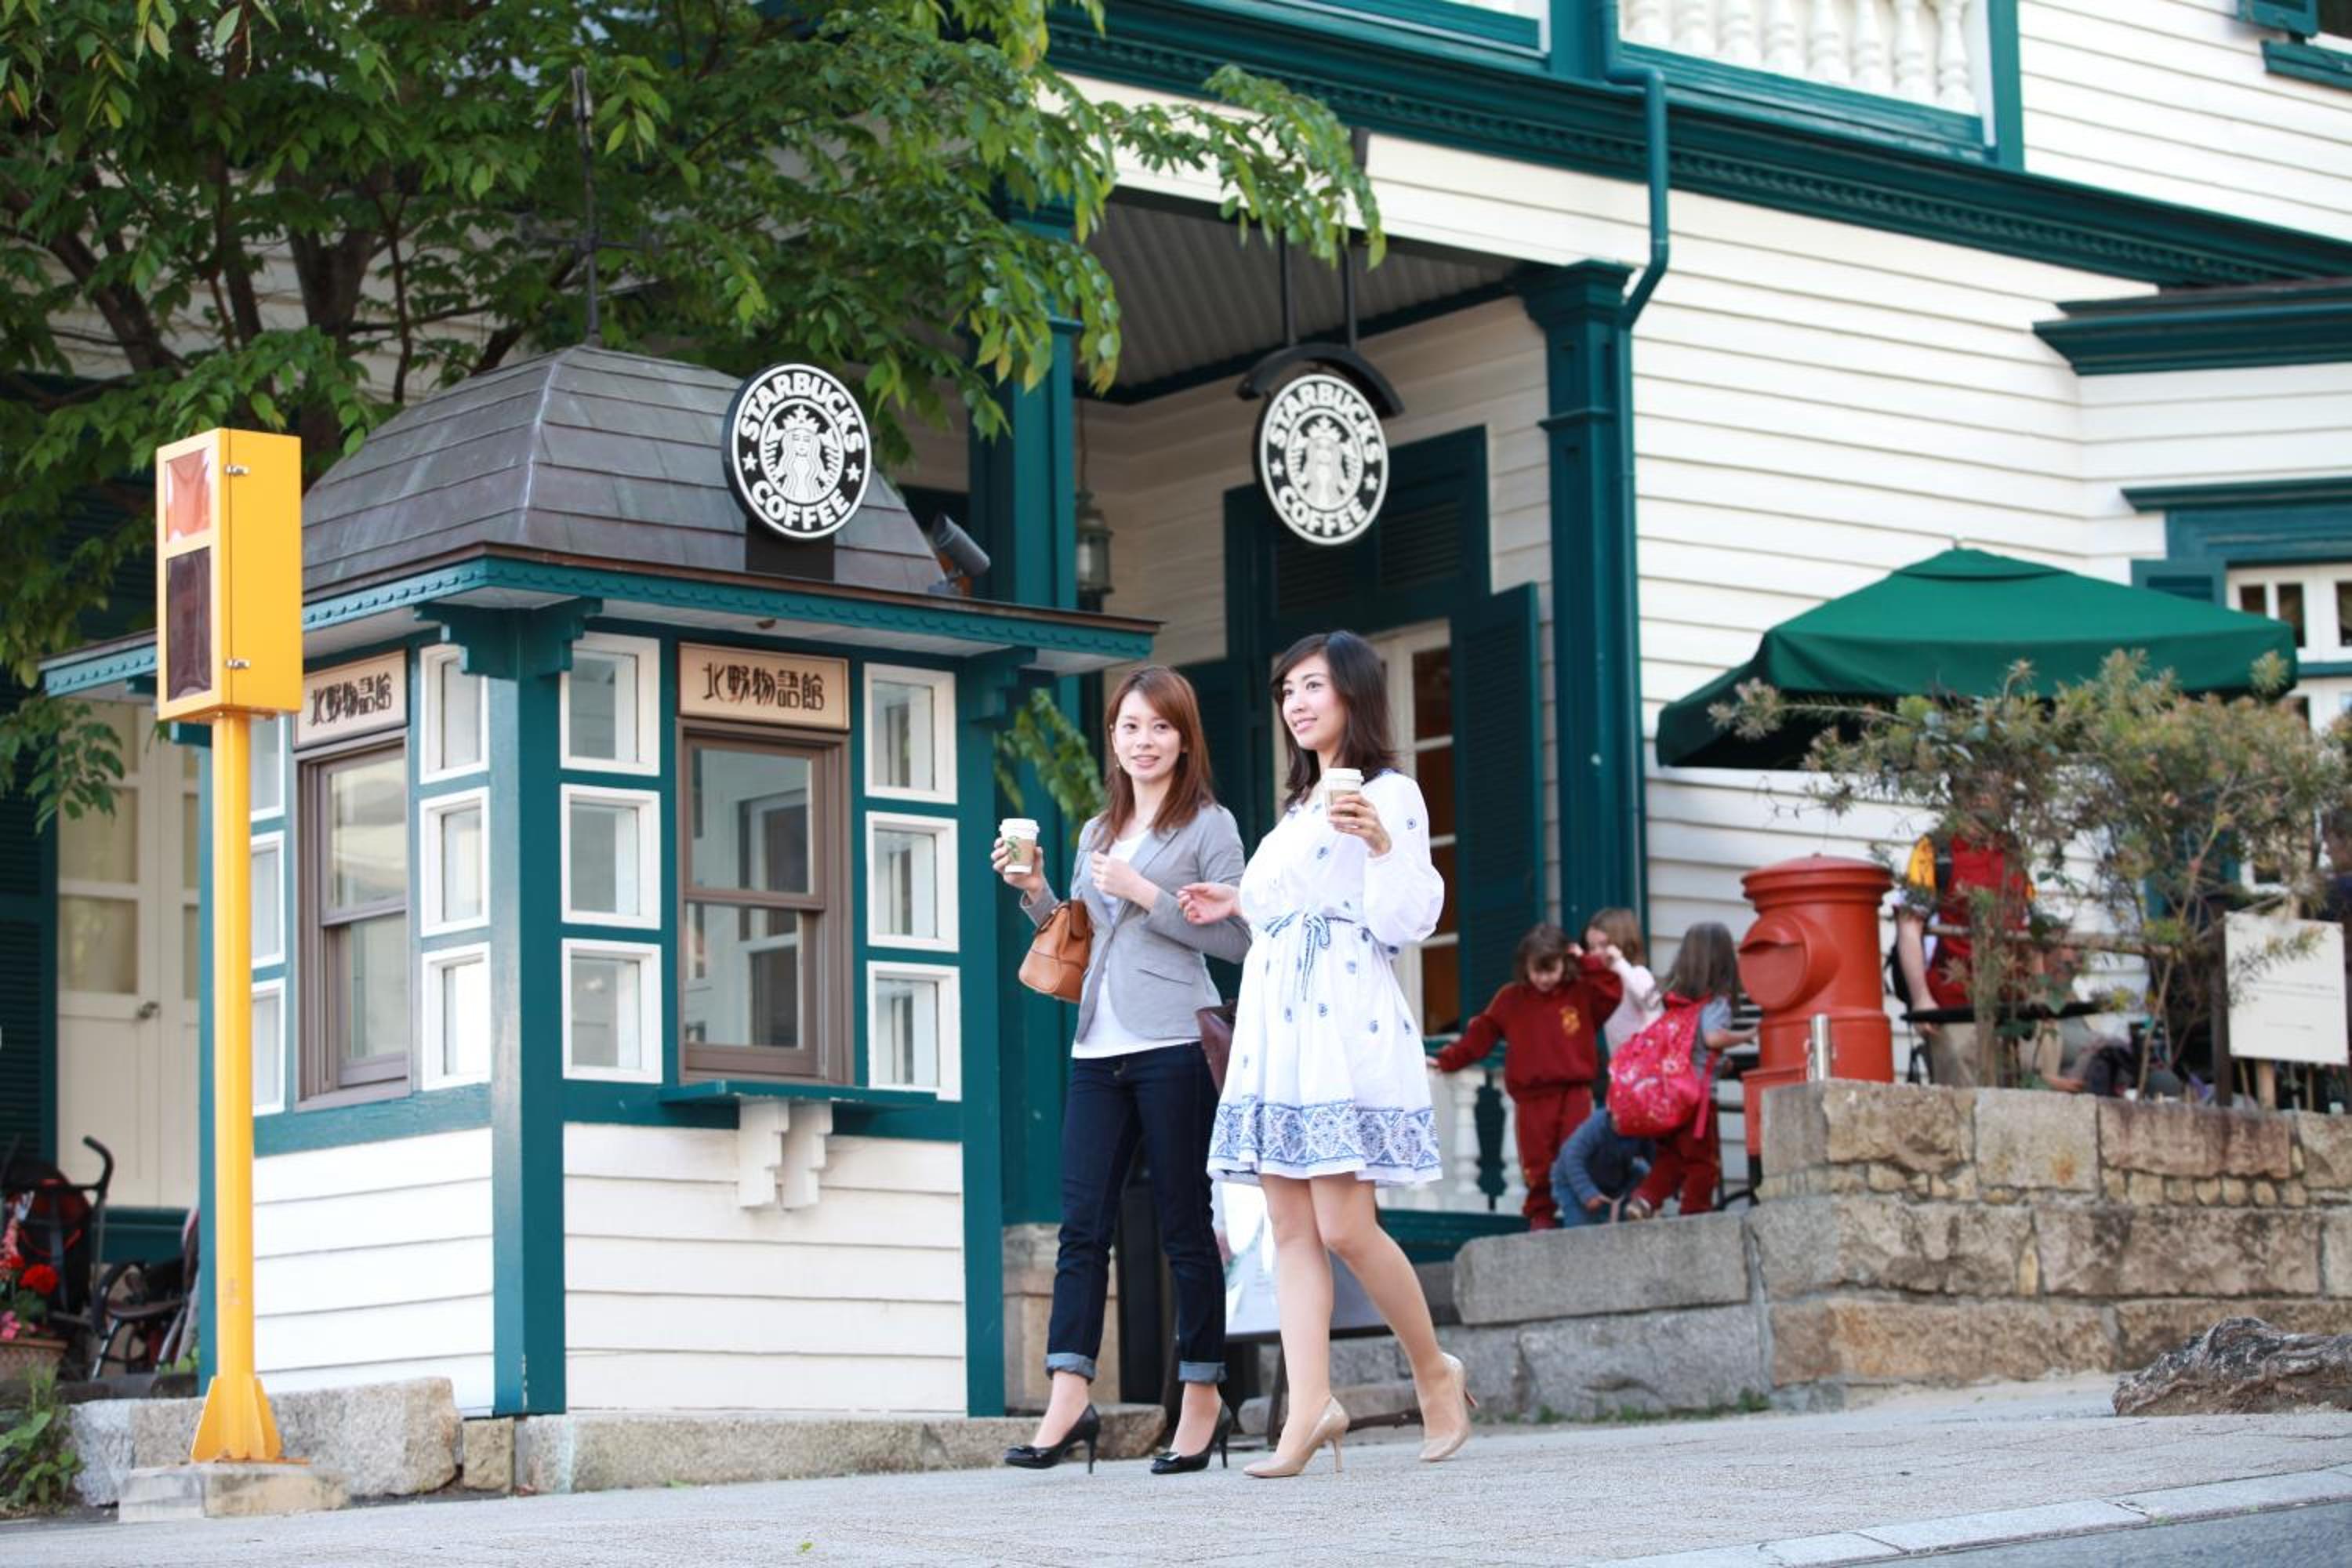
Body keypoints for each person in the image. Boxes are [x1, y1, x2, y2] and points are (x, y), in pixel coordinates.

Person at [1175, 630, 1472, 1477]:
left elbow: (1406, 920)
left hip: (1340, 1020)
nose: (1297, 704)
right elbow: (1292, 898)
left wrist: (1380, 843)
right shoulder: (1300, 806)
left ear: (1352, 692)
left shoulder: (1391, 793)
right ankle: (1309, 1407)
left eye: (1313, 686)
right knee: (1290, 1225)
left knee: (1345, 1224)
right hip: (1280, 1022)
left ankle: (1434, 1369)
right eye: (1288, 691)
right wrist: (1237, 897)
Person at [993, 666, 1253, 1476]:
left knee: (1184, 1226)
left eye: (1160, 727)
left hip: (1174, 1041)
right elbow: (1081, 934)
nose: (1144, 741)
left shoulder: (1211, 826)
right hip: (1096, 1047)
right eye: (1130, 726)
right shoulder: (1096, 830)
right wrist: (1036, 891)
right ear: (1113, 737)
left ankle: (1202, 1395)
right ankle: (1069, 1396)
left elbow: (1240, 939)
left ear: (1184, 737)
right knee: (1082, 1228)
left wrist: (1147, 891)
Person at [1430, 924, 1621, 1229]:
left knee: (1577, 1154)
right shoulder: (1511, 1000)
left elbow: (1612, 991)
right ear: (1525, 966)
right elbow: (1481, 1035)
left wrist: (1584, 960)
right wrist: (1447, 1059)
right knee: (1537, 1161)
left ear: (1564, 963)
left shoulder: (1581, 993)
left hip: (1574, 1092)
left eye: (1551, 969)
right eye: (1537, 971)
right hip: (1532, 1098)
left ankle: (1581, 1217)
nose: (1544, 978)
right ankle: (1541, 1216)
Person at [1623, 923, 1755, 1220]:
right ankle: (1695, 1216)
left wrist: (1721, 1063)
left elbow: (1692, 1047)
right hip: (1698, 1101)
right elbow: (1712, 1038)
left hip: (1671, 1095)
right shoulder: (1717, 1002)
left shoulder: (1676, 1000)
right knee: (1702, 1162)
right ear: (1724, 961)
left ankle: (1644, 1199)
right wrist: (1747, 1035)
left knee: (1671, 1157)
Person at [1894, 827, 2034, 1088]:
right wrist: (1921, 998)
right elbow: (1909, 925)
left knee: (2024, 1094)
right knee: (1962, 1100)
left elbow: (2027, 925)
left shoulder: (2012, 848)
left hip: (2013, 1006)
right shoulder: (1935, 848)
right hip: (1953, 1005)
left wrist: (2038, 995)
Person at [1551, 1105, 1652, 1226]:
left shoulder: (1642, 1128)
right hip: (1572, 1181)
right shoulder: (1596, 1126)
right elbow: (1573, 1157)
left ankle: (1631, 1211)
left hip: (1614, 1178)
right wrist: (1587, 1192)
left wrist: (1649, 1194)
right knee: (1581, 1227)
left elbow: (1654, 1158)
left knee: (1643, 1170)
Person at [1587, 906, 1664, 1058]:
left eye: (1603, 945)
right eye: (1592, 947)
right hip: (1620, 1062)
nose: (1595, 953)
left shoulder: (1638, 973)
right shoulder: (1607, 979)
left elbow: (1652, 1002)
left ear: (1621, 943)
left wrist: (1619, 963)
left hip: (1645, 1060)